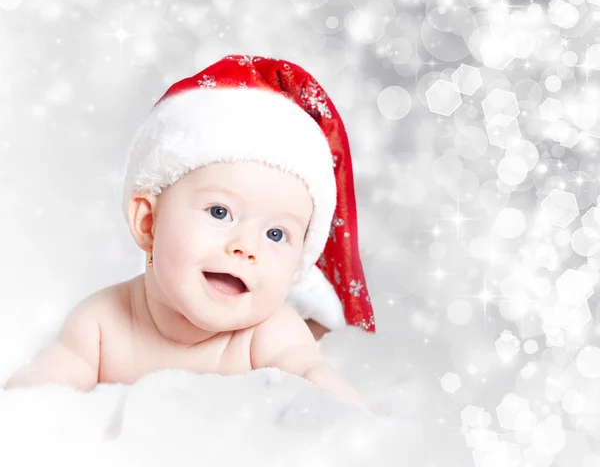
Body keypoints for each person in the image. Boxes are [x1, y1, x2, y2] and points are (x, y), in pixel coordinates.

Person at [4, 55, 376, 413]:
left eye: (276, 234)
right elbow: (36, 395)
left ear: (298, 265)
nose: (246, 248)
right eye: (220, 212)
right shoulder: (101, 324)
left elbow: (321, 387)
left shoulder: (270, 334)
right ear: (148, 223)